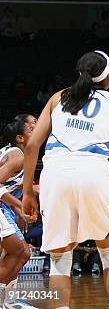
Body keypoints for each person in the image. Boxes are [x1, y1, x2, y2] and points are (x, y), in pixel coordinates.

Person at [21, 50, 109, 309]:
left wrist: (27, 192)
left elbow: (31, 148)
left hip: (56, 174)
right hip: (94, 174)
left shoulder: (57, 99)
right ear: (108, 79)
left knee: (60, 260)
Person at [0, 115, 38, 307]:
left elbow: (13, 187)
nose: (37, 129)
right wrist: (20, 207)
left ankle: (8, 301)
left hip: (3, 206)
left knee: (23, 253)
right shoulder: (18, 155)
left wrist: (15, 209)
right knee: (16, 250)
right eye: (32, 128)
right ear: (20, 138)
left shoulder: (25, 156)